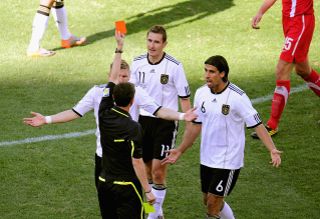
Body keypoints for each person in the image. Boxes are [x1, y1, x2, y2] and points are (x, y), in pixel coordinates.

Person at [23, 31, 197, 189]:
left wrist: (182, 115)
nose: (122, 80)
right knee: (107, 204)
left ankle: (154, 213)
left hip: (127, 159)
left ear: (130, 77)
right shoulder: (97, 93)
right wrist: (46, 119)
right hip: (103, 158)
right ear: (110, 77)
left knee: (135, 200)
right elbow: (74, 112)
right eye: (118, 76)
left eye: (125, 77)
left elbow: (159, 111)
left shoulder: (136, 92)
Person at [162, 55, 282, 219]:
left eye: (212, 72)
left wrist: (272, 149)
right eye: (205, 70)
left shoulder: (237, 97)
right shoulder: (201, 93)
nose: (207, 75)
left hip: (228, 160)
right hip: (207, 157)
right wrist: (180, 150)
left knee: (212, 206)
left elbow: (257, 124)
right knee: (208, 200)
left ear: (222, 74)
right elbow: (196, 126)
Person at [130, 25, 192, 219]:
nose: (152, 45)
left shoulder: (174, 66)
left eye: (157, 42)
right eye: (150, 40)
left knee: (158, 172)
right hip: (142, 122)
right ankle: (155, 211)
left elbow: (184, 98)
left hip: (166, 123)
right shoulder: (137, 63)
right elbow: (131, 95)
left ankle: (151, 215)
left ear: (164, 43)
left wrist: (189, 128)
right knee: (146, 174)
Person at [250, 0, 320, 139]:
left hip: (300, 22)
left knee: (282, 70)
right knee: (303, 70)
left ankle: (272, 125)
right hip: (289, 21)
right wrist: (261, 11)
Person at [98, 80, 155, 218]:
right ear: (132, 100)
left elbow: (110, 83)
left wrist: (118, 56)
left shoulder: (103, 114)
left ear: (113, 98)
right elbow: (137, 161)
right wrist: (148, 191)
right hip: (127, 186)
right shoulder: (133, 127)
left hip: (104, 182)